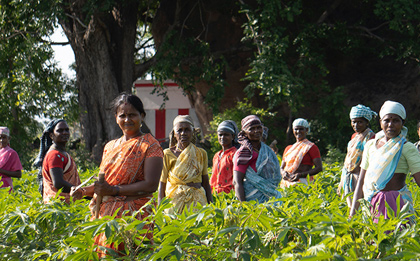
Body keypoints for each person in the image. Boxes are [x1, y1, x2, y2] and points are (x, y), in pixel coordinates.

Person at [350, 101, 420, 223]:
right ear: (380, 122)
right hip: (372, 203)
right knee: (374, 240)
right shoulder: (370, 146)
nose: (390, 125)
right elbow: (361, 181)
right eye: (386, 120)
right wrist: (352, 214)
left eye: (396, 121)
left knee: (399, 239)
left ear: (402, 123)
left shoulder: (407, 148)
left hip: (398, 203)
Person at [158, 115, 213, 213]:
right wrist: (160, 209)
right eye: (179, 130)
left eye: (187, 130)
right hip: (174, 202)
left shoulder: (201, 153)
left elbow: (205, 182)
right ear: (174, 133)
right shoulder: (167, 153)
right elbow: (162, 184)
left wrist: (211, 206)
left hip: (197, 201)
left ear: (192, 133)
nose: (183, 133)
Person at [233, 115, 282, 203]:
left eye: (259, 127)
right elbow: (237, 182)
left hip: (271, 195)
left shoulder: (267, 150)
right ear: (245, 133)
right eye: (251, 129)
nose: (256, 131)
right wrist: (243, 205)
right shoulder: (244, 153)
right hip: (252, 198)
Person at [337, 104, 377, 207]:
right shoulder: (354, 137)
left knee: (361, 206)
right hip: (349, 177)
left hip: (362, 177)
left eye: (360, 122)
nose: (356, 125)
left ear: (367, 122)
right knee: (350, 208)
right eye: (354, 122)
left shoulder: (372, 137)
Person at [34, 119, 81, 204]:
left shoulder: (63, 153)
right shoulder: (54, 155)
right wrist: (81, 191)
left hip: (66, 204)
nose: (65, 132)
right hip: (59, 205)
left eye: (67, 130)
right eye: (60, 130)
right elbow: (58, 183)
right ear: (52, 135)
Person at [280, 118, 322, 188]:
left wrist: (300, 175)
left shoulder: (311, 147)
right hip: (287, 183)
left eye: (301, 129)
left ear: (307, 130)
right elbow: (281, 167)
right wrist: (283, 173)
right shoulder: (288, 148)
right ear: (293, 131)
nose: (298, 131)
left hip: (303, 182)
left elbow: (319, 168)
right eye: (296, 129)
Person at [210, 120, 239, 194]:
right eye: (220, 135)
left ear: (232, 136)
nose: (222, 137)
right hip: (215, 195)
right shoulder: (217, 155)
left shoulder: (235, 154)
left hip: (230, 195)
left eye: (226, 135)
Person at [0, 127, 22, 193]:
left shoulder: (12, 153)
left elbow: (18, 174)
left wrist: (1, 171)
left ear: (9, 138)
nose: (1, 140)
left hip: (5, 187)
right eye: (0, 138)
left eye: (4, 138)